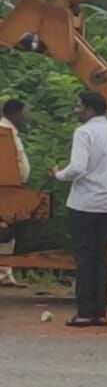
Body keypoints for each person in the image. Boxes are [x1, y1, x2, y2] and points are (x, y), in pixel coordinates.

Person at [51, 91, 107, 327]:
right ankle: (100, 312)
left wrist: (59, 175)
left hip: (84, 203)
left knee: (84, 257)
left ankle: (84, 311)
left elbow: (77, 167)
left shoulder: (84, 133)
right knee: (100, 257)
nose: (76, 111)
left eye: (78, 106)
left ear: (89, 109)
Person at [0, 98, 31, 287]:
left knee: (7, 232)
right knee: (4, 231)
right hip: (5, 188)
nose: (25, 116)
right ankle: (3, 271)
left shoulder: (10, 131)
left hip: (11, 188)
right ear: (16, 113)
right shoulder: (3, 131)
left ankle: (4, 272)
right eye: (24, 112)